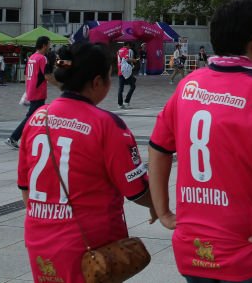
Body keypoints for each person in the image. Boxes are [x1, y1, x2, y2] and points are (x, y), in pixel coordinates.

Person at [148, 0, 252, 283]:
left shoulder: (189, 86)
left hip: (192, 249)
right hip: (246, 250)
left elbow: (158, 148)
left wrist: (162, 210)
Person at [18, 42, 156, 283]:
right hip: (89, 246)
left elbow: (25, 187)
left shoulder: (37, 120)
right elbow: (136, 189)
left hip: (39, 240)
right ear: (96, 82)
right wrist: (160, 206)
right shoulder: (106, 124)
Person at [6, 36, 52, 149]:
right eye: (49, 44)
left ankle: (31, 139)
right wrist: (61, 84)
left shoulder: (32, 57)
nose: (49, 47)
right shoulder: (42, 58)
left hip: (32, 90)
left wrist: (28, 89)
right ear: (44, 45)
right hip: (38, 92)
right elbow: (47, 76)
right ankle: (13, 138)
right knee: (32, 117)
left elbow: (27, 75)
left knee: (36, 116)